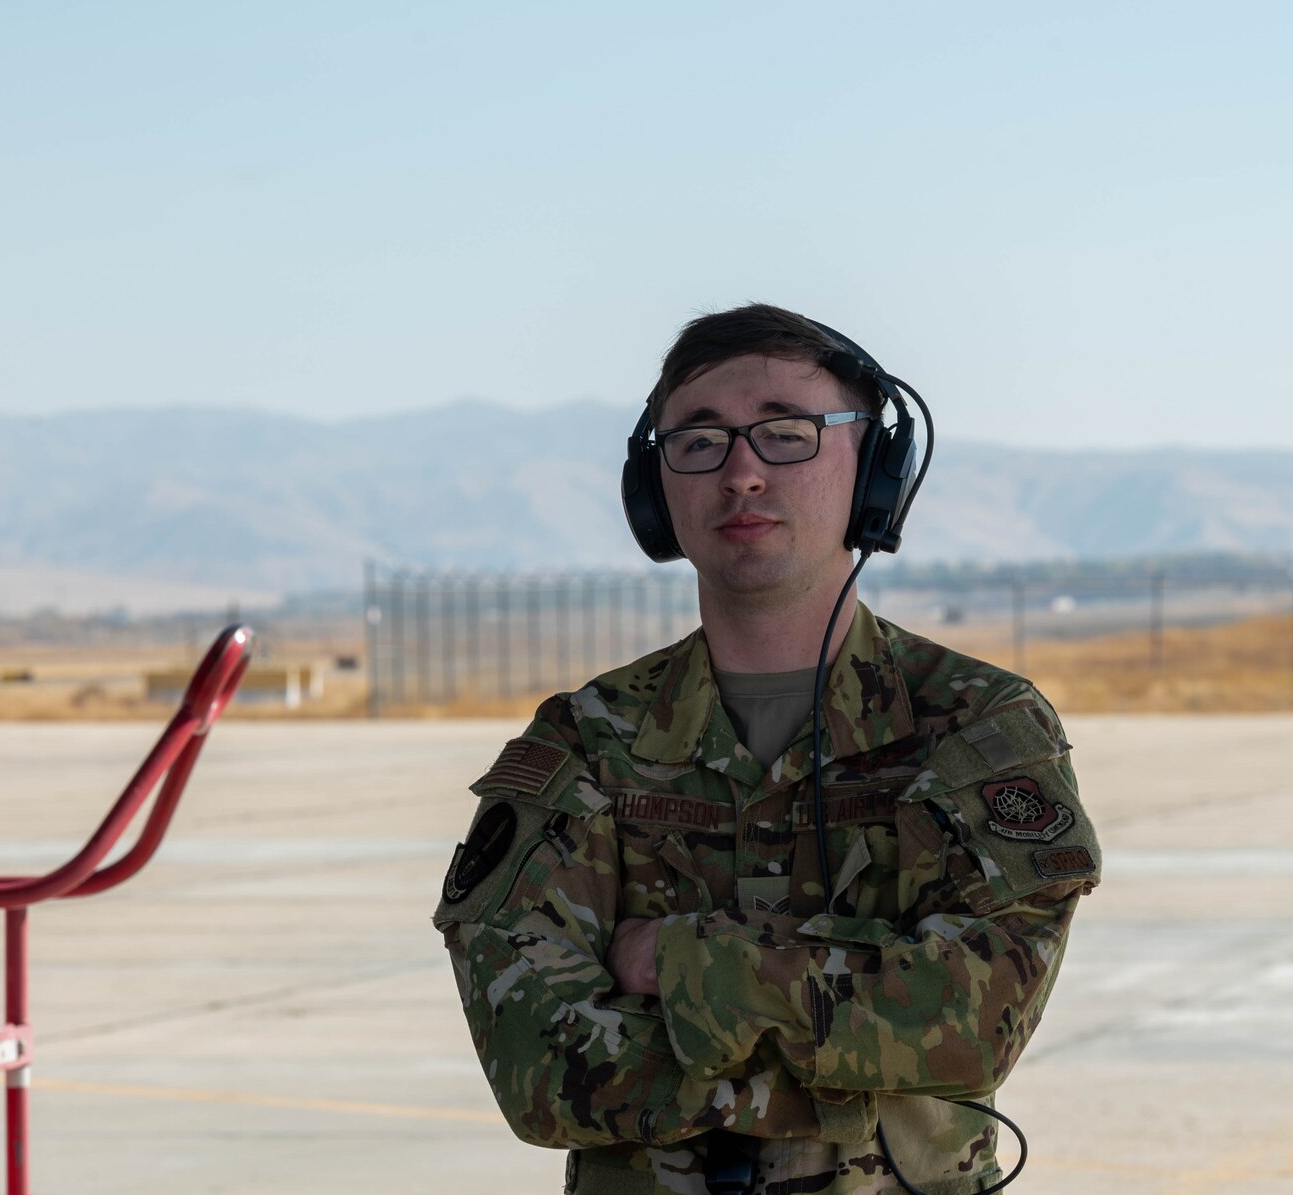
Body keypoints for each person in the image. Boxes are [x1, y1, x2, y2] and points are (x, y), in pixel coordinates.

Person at [433, 305, 1100, 1195]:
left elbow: (971, 1023)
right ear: (655, 489)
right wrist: (854, 1044)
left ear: (873, 468)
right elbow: (543, 1072)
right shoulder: (586, 741)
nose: (741, 472)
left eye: (787, 434)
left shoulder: (974, 727)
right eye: (699, 442)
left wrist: (674, 960)